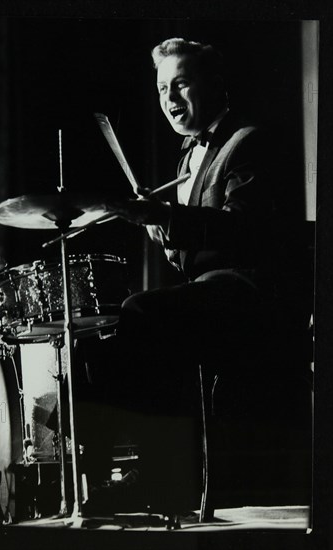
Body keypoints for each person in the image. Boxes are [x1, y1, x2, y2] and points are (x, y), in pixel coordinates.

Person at [75, 38, 310, 518]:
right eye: (163, 89)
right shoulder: (187, 157)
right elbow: (193, 256)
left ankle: (167, 478)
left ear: (216, 85)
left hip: (255, 293)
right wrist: (161, 228)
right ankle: (126, 474)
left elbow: (243, 232)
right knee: (101, 340)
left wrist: (163, 215)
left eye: (181, 84)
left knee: (142, 311)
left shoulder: (250, 140)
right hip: (214, 291)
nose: (170, 100)